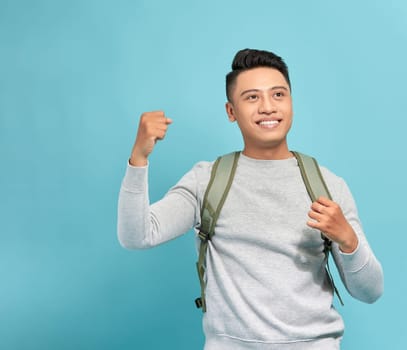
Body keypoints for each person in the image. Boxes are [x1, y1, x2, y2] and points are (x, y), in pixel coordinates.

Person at [117, 48, 383, 349]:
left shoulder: (327, 185)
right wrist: (138, 158)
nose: (268, 107)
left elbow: (370, 291)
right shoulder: (207, 181)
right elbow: (137, 235)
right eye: (252, 97)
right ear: (231, 111)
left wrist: (348, 240)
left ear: (292, 102)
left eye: (278, 95)